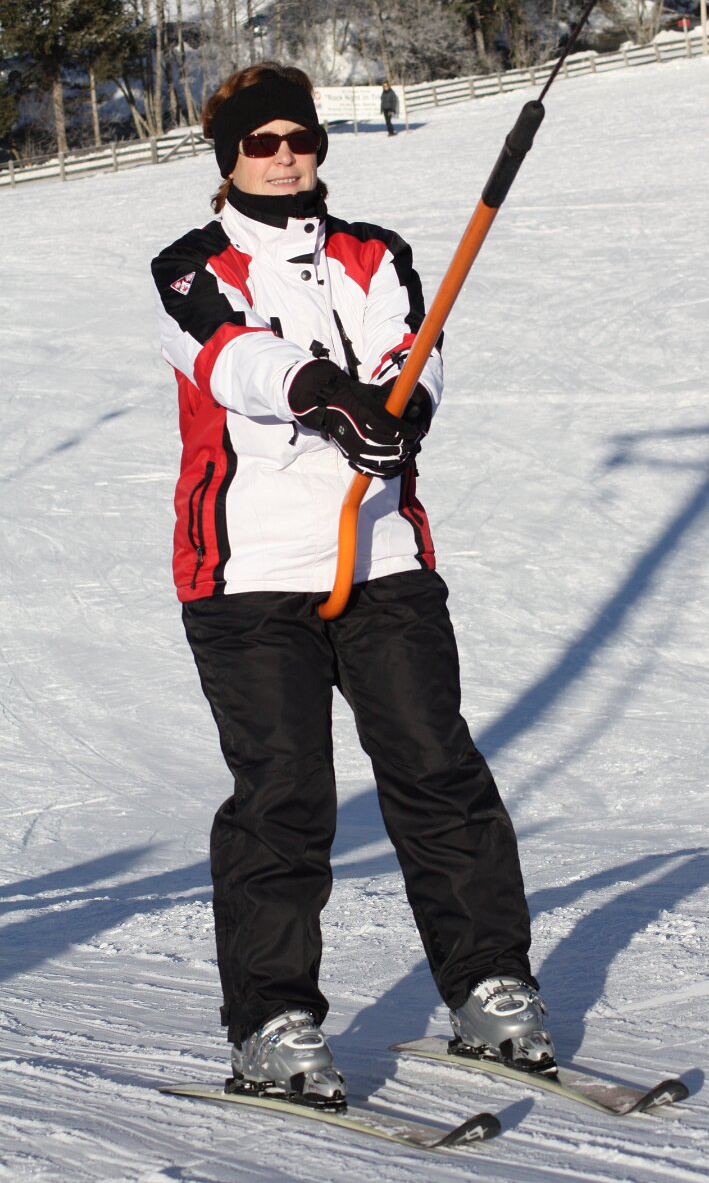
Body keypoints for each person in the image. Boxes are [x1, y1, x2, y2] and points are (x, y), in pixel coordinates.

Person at [151, 61, 554, 1110]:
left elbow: (409, 348)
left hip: (381, 557)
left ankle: (490, 989)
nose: (285, 158)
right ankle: (271, 1024)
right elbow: (235, 357)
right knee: (283, 795)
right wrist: (331, 399)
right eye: (261, 144)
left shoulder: (375, 253)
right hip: (248, 573)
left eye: (300, 139)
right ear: (229, 158)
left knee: (436, 771)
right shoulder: (190, 268)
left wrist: (399, 408)